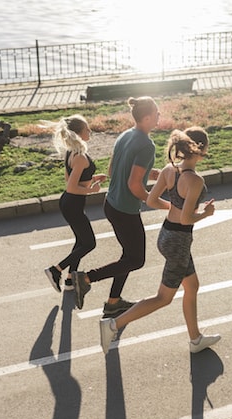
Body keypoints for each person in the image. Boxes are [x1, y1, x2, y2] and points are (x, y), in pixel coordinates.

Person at [98, 127, 221, 354]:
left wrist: (174, 206)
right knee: (163, 298)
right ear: (201, 148)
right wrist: (206, 213)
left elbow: (152, 200)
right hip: (178, 242)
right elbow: (186, 219)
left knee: (192, 286)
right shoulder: (195, 181)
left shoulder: (169, 170)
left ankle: (195, 339)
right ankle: (113, 324)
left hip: (166, 234)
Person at [72, 96, 161, 314]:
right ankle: (86, 278)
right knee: (137, 260)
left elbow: (114, 170)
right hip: (125, 211)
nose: (159, 117)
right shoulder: (147, 145)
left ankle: (113, 302)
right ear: (147, 118)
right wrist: (154, 200)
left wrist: (152, 173)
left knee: (127, 257)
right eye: (157, 114)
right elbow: (134, 184)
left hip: (111, 204)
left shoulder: (125, 135)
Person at [43, 115, 106, 295]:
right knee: (89, 243)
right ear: (78, 133)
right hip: (72, 204)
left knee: (81, 241)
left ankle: (70, 280)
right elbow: (72, 187)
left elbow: (70, 179)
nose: (90, 132)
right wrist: (91, 190)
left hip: (70, 203)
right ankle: (56, 270)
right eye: (87, 129)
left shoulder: (72, 152)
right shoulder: (80, 156)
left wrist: (92, 179)